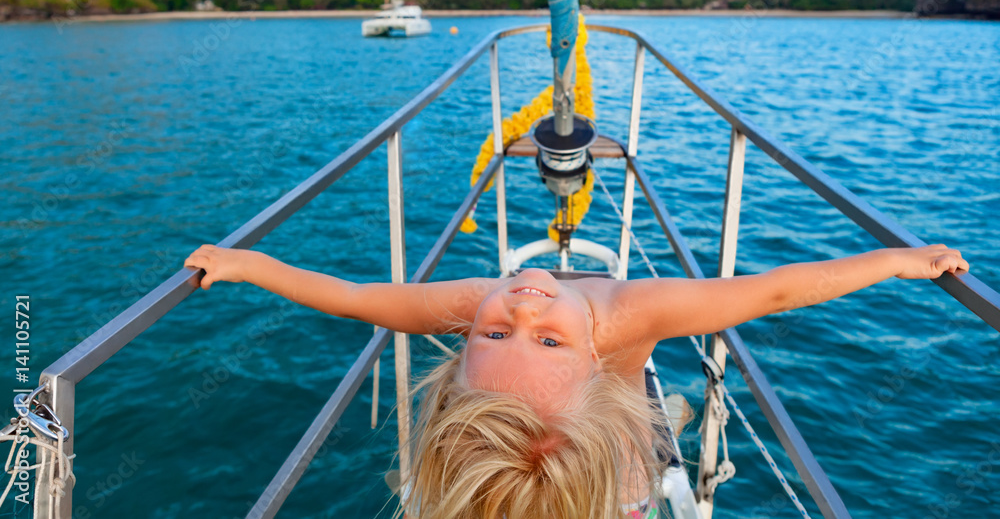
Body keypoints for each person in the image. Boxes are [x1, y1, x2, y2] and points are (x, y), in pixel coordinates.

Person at [183, 243, 967, 518]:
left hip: (605, 442)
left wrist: (901, 262)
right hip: (606, 450)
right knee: (602, 486)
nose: (520, 308)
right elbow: (353, 299)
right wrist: (248, 267)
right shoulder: (618, 313)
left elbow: (779, 289)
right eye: (513, 330)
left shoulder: (482, 305)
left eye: (504, 334)